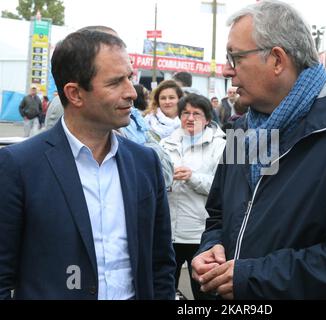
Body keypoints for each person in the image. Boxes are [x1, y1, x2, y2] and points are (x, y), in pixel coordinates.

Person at [191, 0, 326, 300]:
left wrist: (252, 279)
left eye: (235, 57)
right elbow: (220, 215)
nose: (228, 70)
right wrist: (210, 248)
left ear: (277, 60)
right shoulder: (242, 132)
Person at [0, 29, 176, 299]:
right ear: (75, 94)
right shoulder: (20, 166)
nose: (132, 92)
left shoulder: (145, 162)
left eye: (130, 77)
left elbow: (160, 264)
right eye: (116, 82)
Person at [161, 94, 226, 300]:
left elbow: (222, 188)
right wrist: (166, 182)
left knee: (204, 292)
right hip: (169, 232)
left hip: (201, 233)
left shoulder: (221, 145)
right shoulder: (165, 144)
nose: (190, 118)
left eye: (196, 114)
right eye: (185, 113)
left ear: (207, 119)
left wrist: (192, 177)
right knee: (165, 289)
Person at [121, 84, 174, 188]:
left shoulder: (136, 120)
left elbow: (166, 175)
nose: (167, 102)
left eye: (171, 97)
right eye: (163, 98)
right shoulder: (144, 120)